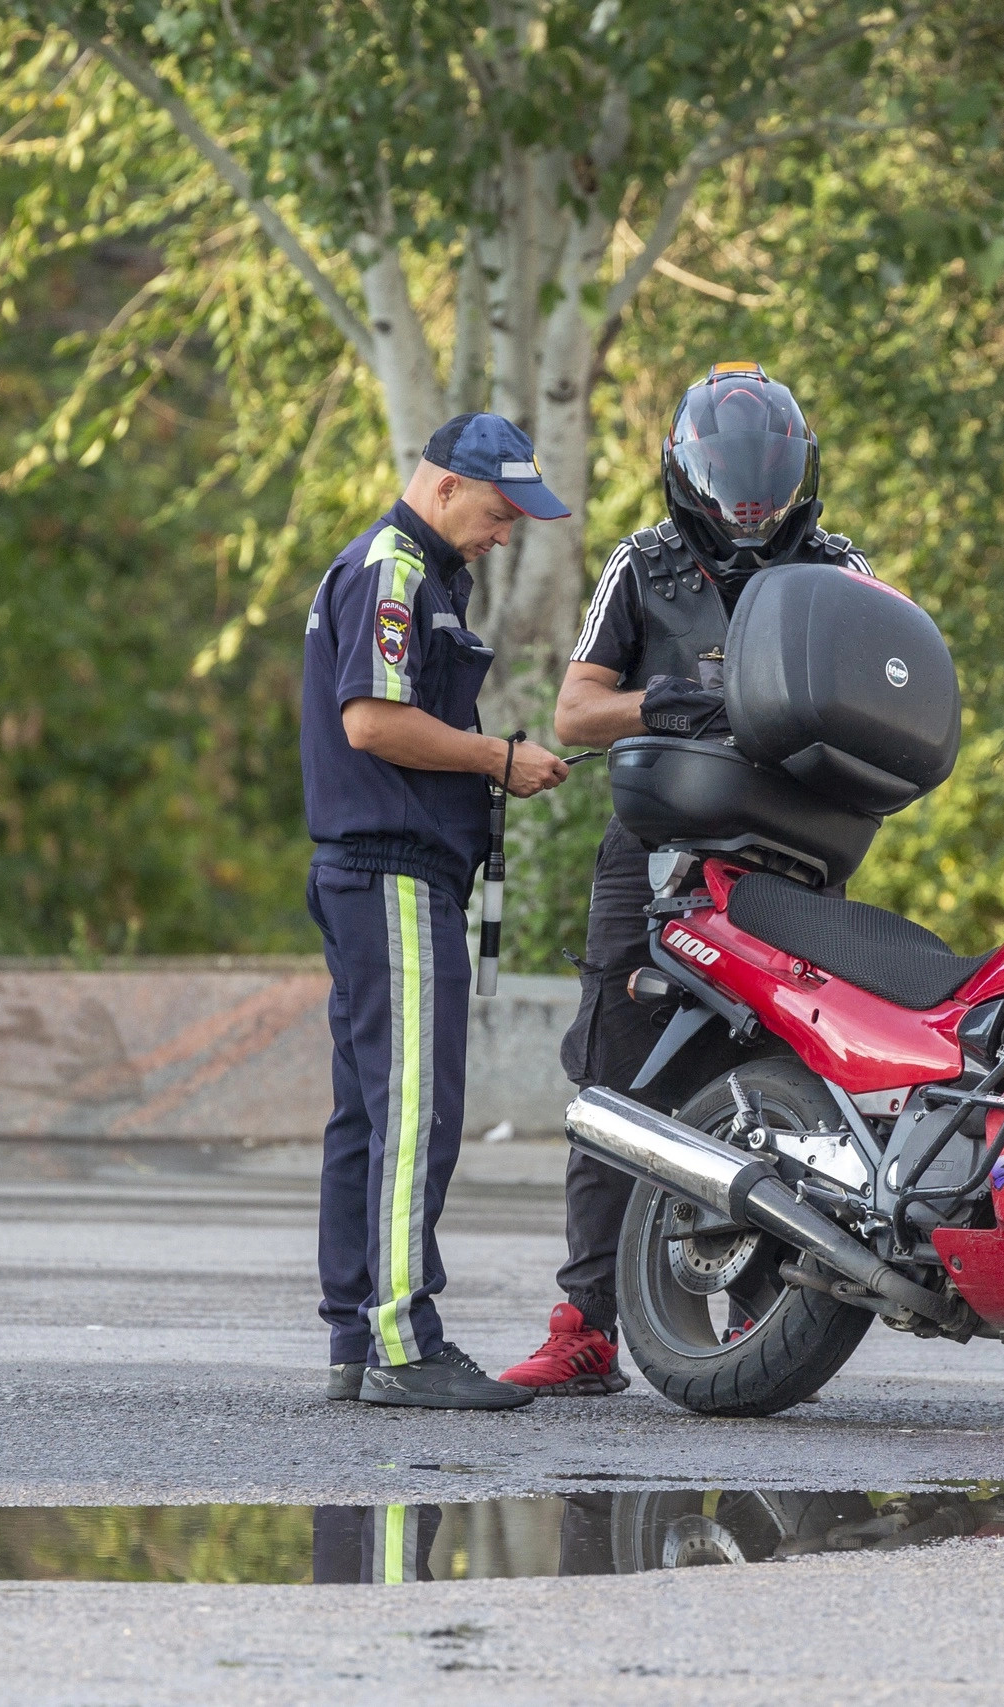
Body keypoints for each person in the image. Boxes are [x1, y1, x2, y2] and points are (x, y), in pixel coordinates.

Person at [501, 363, 875, 1396]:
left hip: (792, 853)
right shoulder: (645, 562)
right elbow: (576, 713)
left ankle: (765, 1316)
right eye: (731, 481)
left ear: (798, 474)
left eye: (768, 481)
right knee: (618, 1076)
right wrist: (666, 702)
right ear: (687, 470)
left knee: (788, 1083)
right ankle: (584, 1328)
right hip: (658, 850)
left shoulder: (842, 571)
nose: (750, 502)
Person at [305, 412, 571, 1410]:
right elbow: (370, 720)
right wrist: (497, 757)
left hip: (372, 873)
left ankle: (353, 1338)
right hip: (393, 875)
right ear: (447, 485)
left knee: (367, 1118)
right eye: (499, 512)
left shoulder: (414, 572)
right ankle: (403, 1345)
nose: (504, 534)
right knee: (415, 1114)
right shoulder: (395, 570)